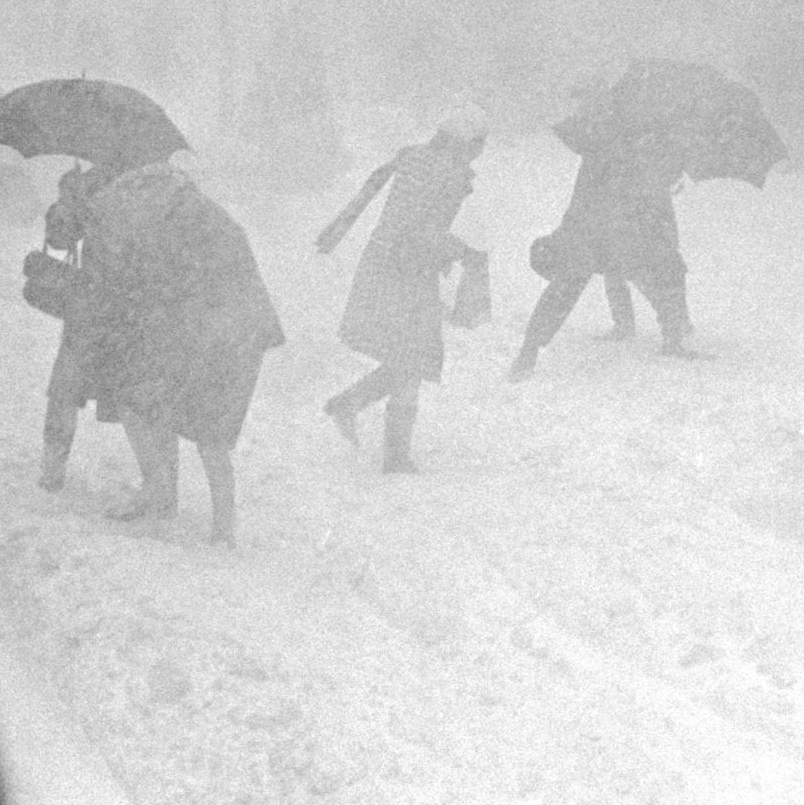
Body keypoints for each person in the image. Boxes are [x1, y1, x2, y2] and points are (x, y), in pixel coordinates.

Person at [81, 159, 285, 545]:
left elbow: (175, 287)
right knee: (169, 414)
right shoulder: (196, 214)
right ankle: (182, 508)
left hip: (225, 339)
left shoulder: (188, 224)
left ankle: (211, 527)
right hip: (228, 335)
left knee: (205, 432)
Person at [317, 109, 490, 472]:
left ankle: (352, 406)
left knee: (409, 355)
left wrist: (338, 228)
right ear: (467, 146)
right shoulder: (451, 175)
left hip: (382, 260)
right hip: (409, 270)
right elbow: (425, 231)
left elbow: (372, 189)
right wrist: (463, 253)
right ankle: (393, 453)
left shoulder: (412, 157)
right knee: (415, 355)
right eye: (477, 147)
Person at [507, 122, 696, 380]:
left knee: (588, 278)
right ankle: (672, 332)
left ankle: (529, 352)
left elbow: (589, 195)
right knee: (659, 268)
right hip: (614, 226)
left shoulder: (613, 142)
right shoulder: (626, 144)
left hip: (605, 227)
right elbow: (596, 194)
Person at [24, 156, 129, 489]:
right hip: (96, 307)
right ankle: (53, 469)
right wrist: (68, 199)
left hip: (126, 310)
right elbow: (60, 239)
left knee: (135, 400)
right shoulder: (93, 183)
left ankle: (159, 487)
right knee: (66, 389)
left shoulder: (140, 188)